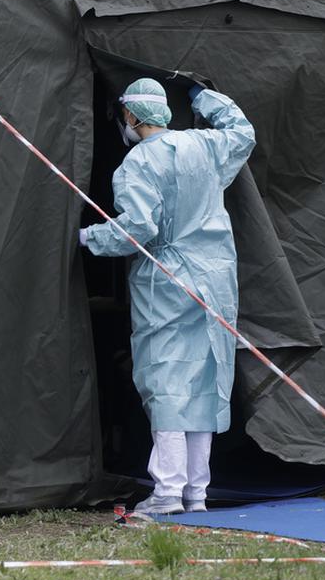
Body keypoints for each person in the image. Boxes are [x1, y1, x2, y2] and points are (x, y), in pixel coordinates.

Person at [79, 77, 256, 516]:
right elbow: (243, 131)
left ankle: (167, 493)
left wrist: (90, 237)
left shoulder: (138, 163)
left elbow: (139, 228)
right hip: (215, 278)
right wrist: (204, 96)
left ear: (132, 116)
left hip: (169, 280)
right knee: (204, 381)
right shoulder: (206, 146)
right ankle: (196, 494)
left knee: (167, 384)